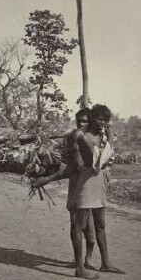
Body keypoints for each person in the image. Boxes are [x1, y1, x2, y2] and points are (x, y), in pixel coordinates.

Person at [32, 108, 97, 270]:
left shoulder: (94, 138)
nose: (81, 123)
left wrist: (46, 180)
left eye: (85, 121)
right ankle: (79, 261)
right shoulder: (70, 139)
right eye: (79, 120)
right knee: (76, 222)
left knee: (90, 223)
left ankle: (87, 259)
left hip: (90, 183)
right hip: (76, 184)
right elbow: (67, 166)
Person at [73, 104, 125, 279]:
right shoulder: (84, 137)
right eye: (99, 119)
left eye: (105, 120)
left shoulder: (99, 134)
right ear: (93, 118)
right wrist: (110, 138)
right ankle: (79, 268)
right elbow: (99, 161)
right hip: (88, 181)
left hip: (99, 181)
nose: (103, 122)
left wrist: (107, 137)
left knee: (100, 224)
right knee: (79, 226)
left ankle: (106, 263)